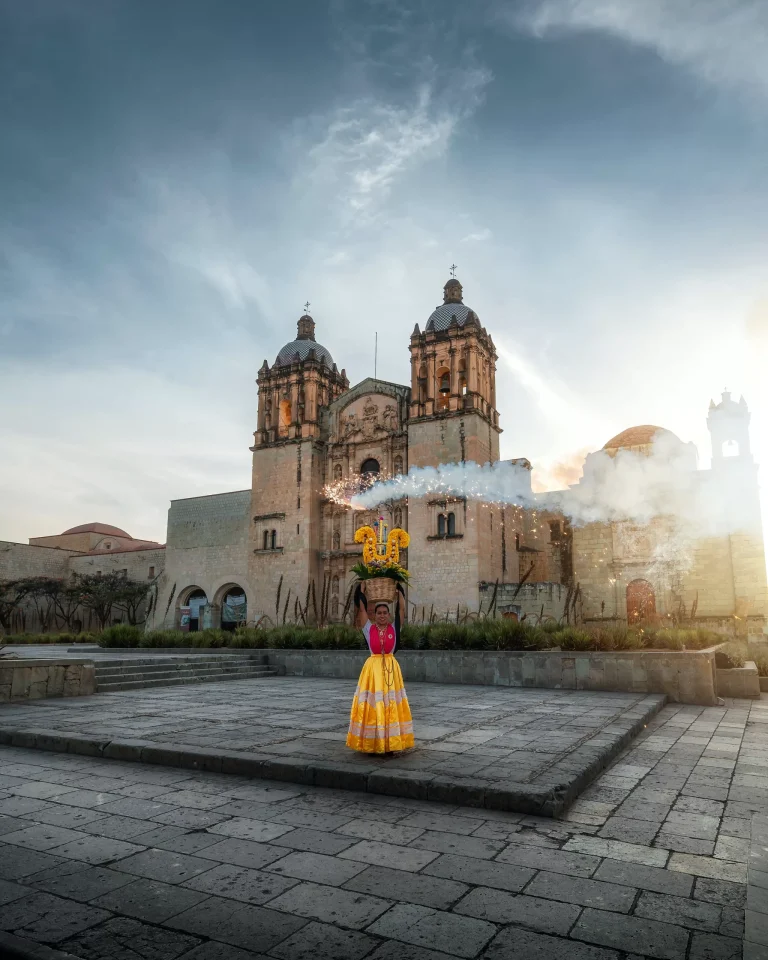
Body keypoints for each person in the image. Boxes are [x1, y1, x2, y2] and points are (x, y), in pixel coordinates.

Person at [346, 582, 415, 755]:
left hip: (391, 669)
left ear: (389, 615)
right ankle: (372, 742)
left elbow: (402, 610)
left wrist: (400, 592)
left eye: (385, 613)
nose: (382, 615)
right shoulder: (368, 629)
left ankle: (390, 742)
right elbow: (362, 610)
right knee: (373, 706)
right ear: (375, 615)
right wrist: (361, 592)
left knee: (390, 704)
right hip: (373, 671)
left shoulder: (394, 628)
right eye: (379, 613)